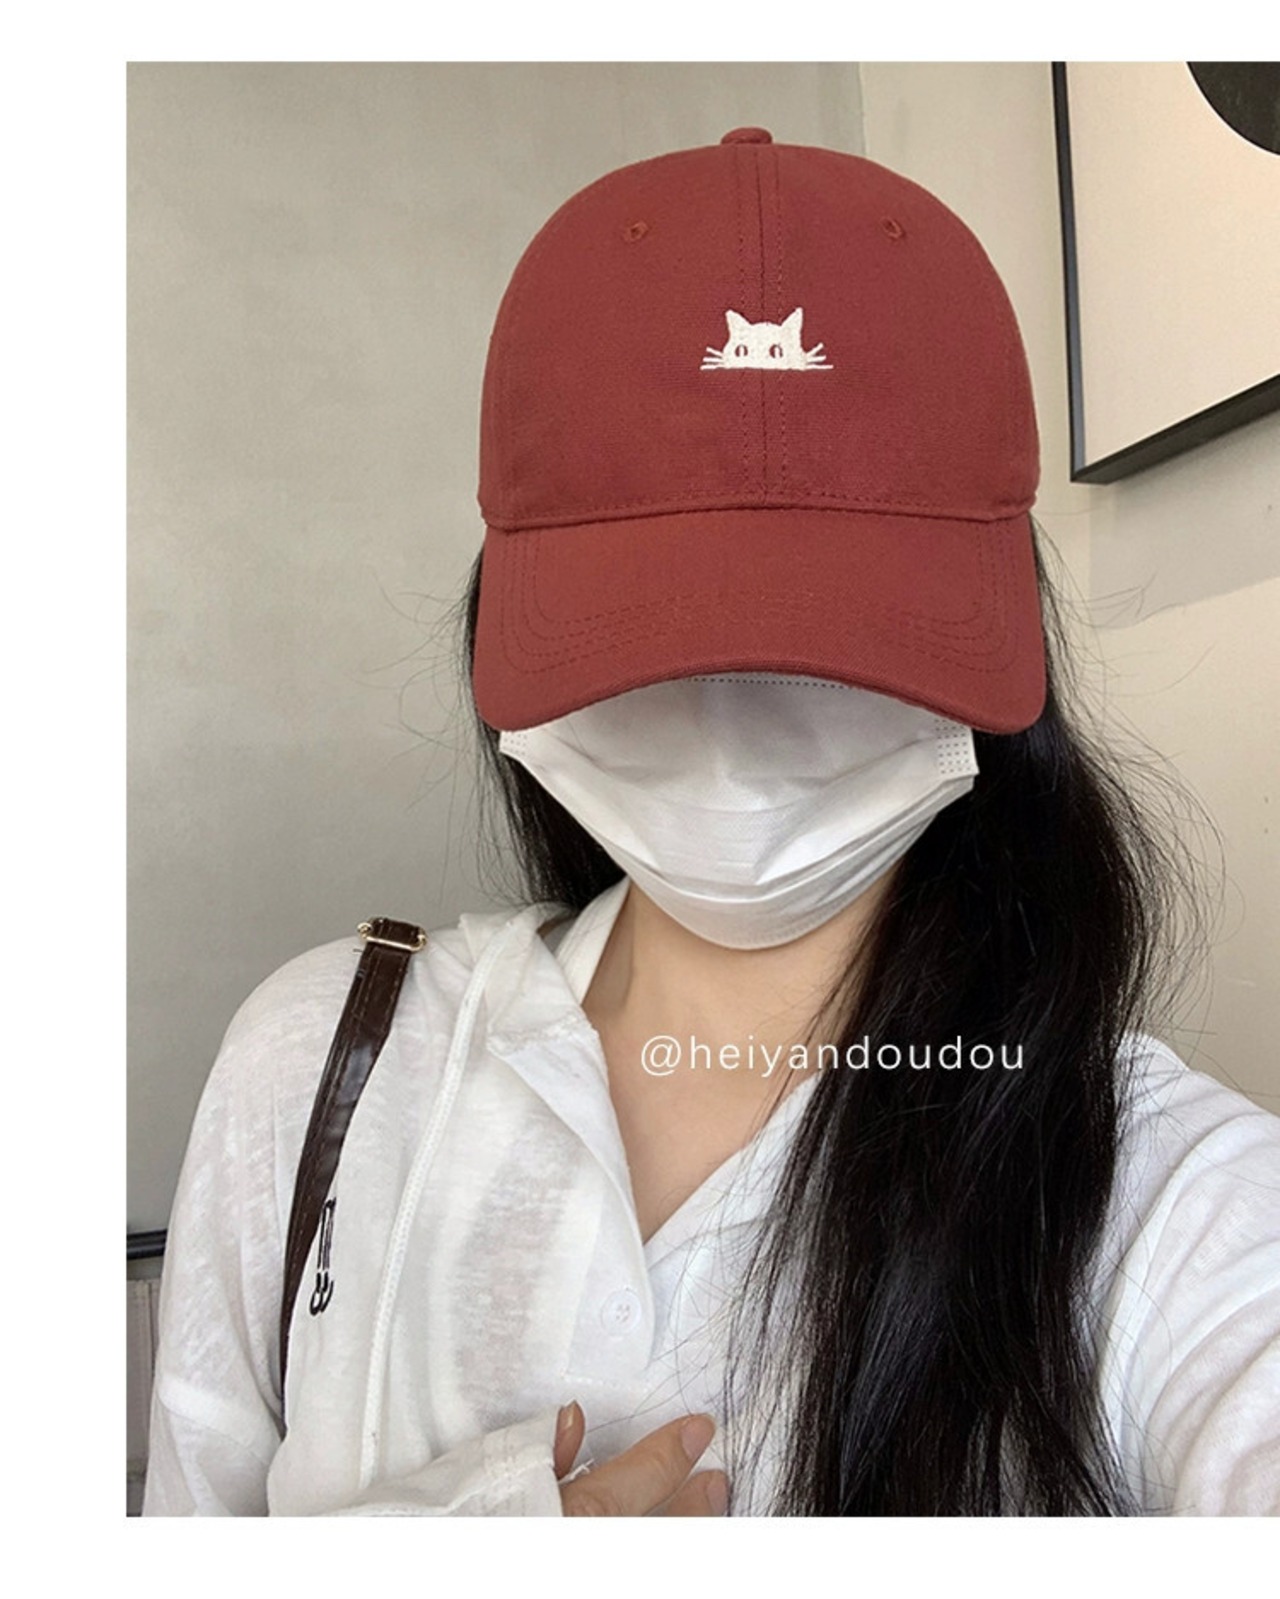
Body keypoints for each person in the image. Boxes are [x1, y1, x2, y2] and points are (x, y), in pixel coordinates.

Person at [142, 128, 1280, 1516]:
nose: (736, 728)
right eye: (655, 630)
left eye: (840, 644)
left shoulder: (1160, 1192)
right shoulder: (316, 1063)